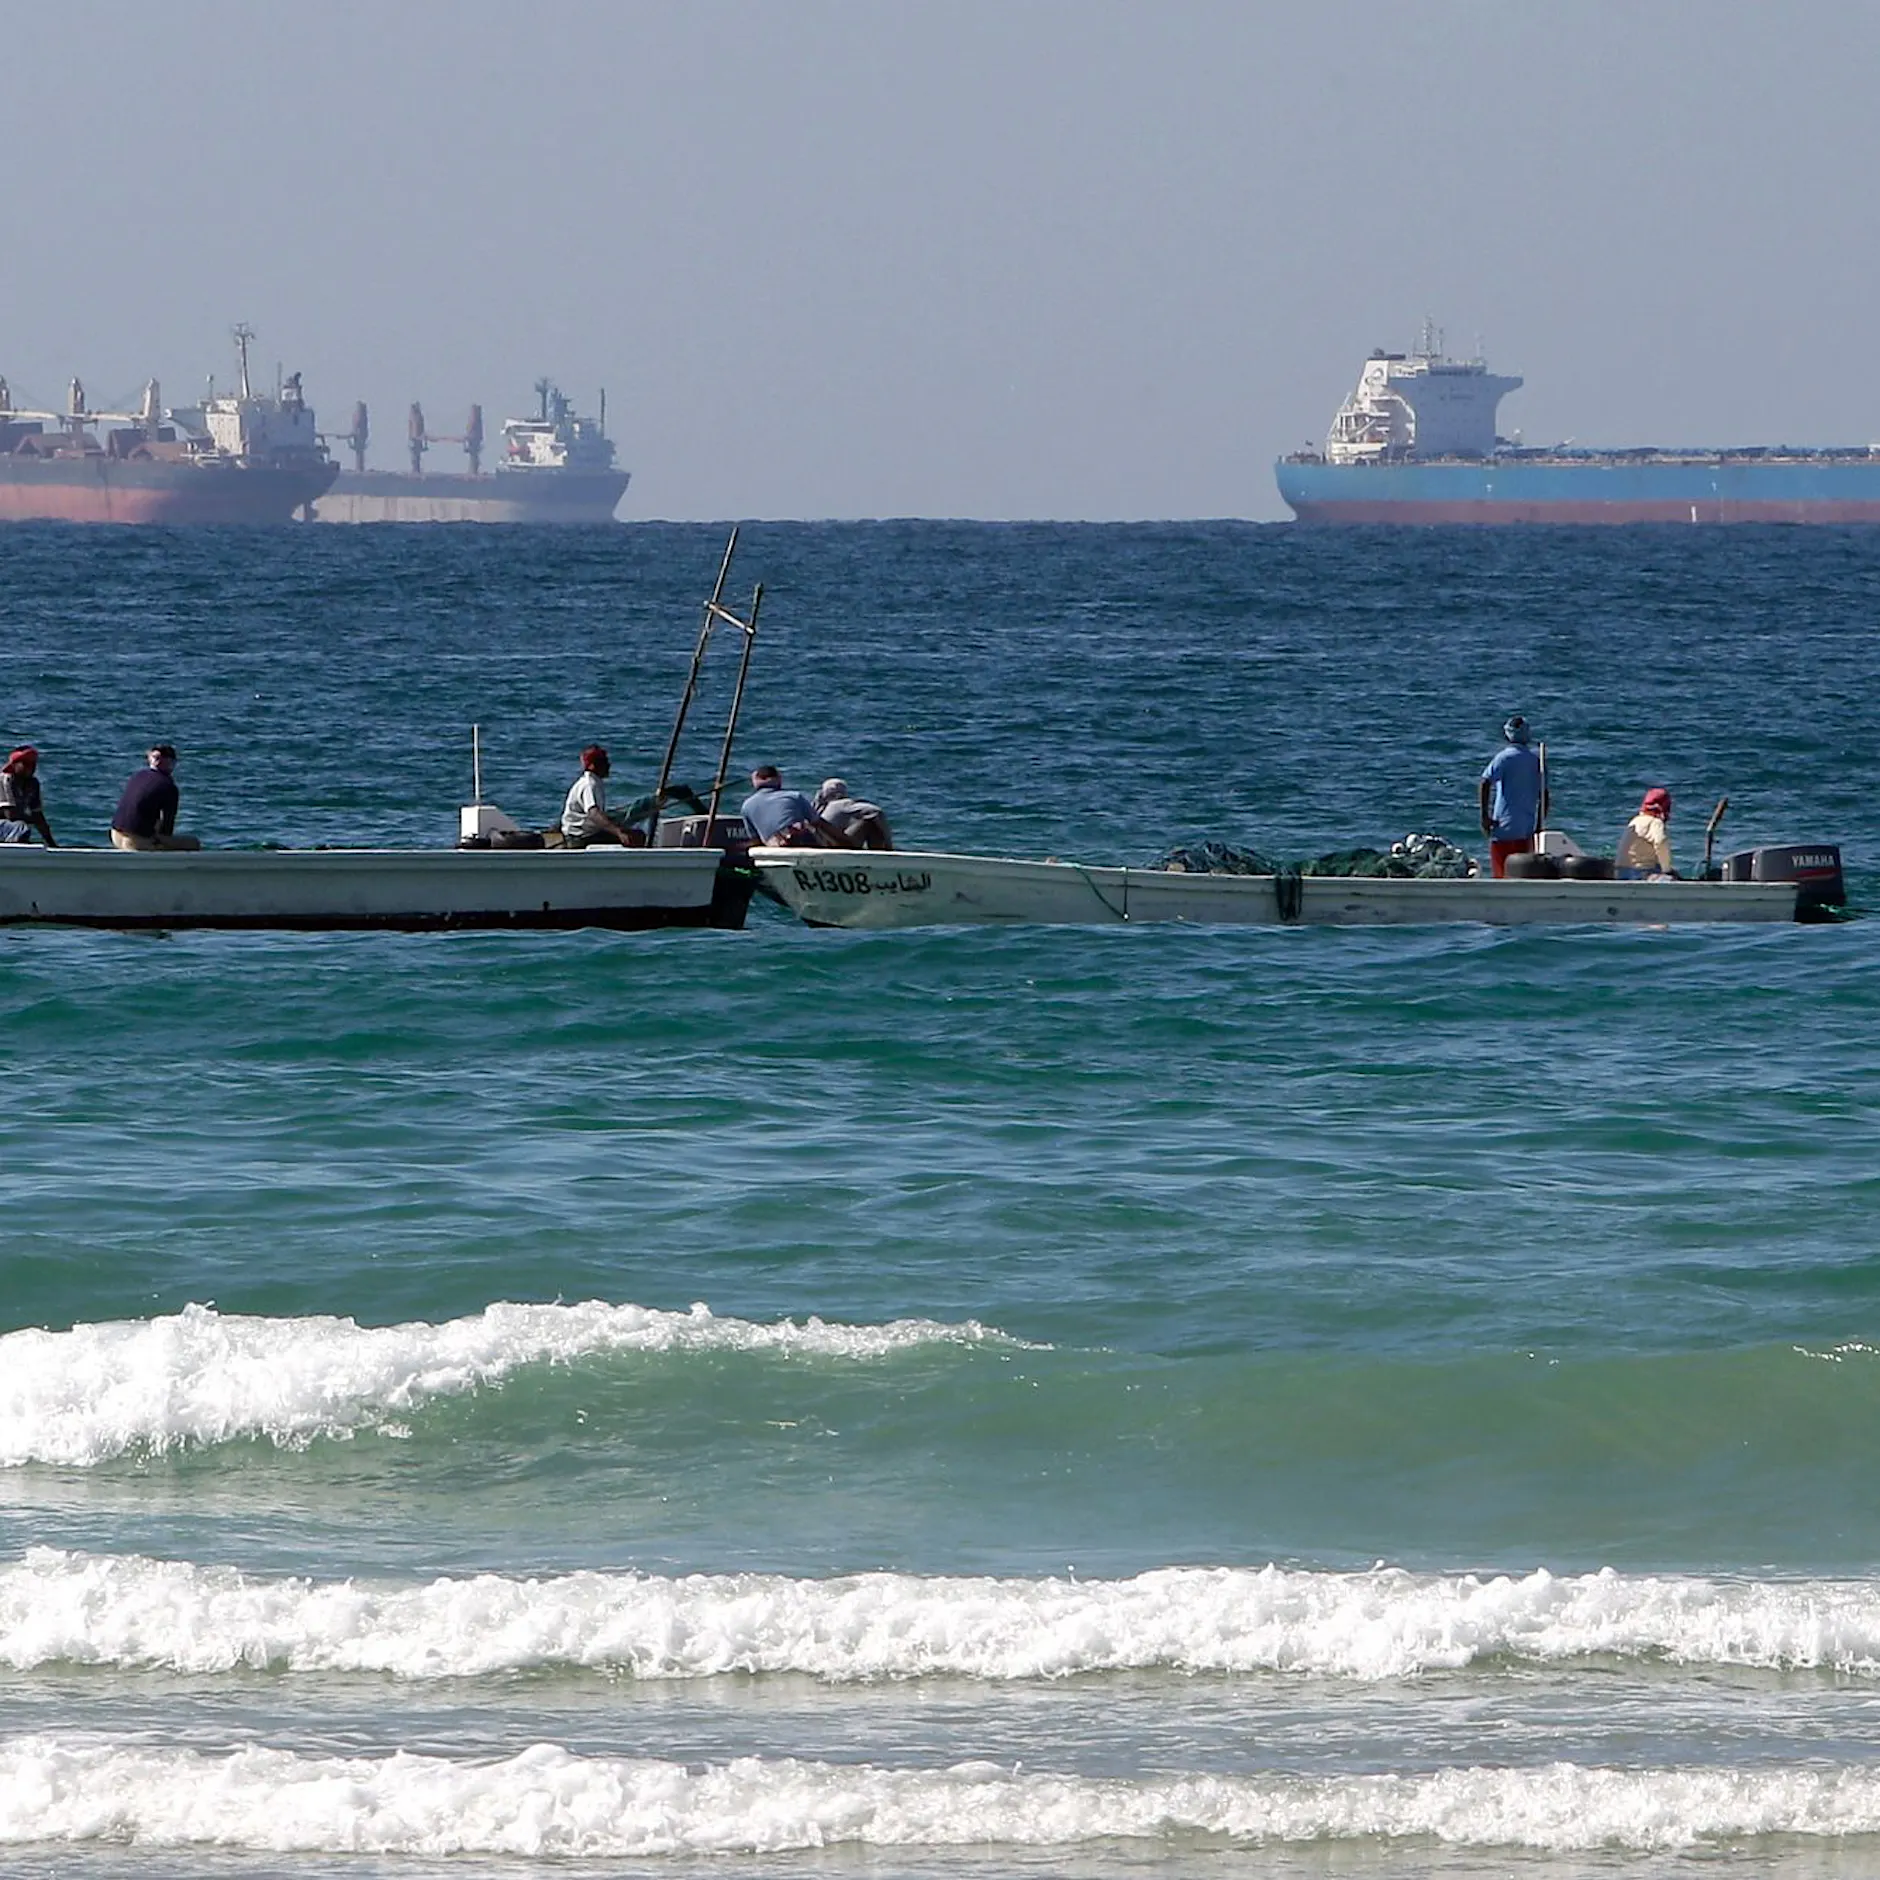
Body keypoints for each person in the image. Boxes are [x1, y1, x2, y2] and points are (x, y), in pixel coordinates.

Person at [1478, 715, 1548, 878]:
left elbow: (1484, 783)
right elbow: (1544, 795)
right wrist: (1539, 824)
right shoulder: (1536, 761)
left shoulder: (1504, 758)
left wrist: (1484, 817)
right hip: (1527, 829)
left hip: (1504, 828)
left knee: (1501, 874)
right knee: (1521, 874)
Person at [110, 743, 200, 851]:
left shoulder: (137, 776)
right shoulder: (168, 786)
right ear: (171, 762)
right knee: (193, 843)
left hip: (115, 835)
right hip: (136, 842)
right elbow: (168, 823)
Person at [560, 744, 643, 847]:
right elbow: (593, 813)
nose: (609, 765)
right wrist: (618, 832)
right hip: (581, 836)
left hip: (584, 832)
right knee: (636, 836)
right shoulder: (589, 784)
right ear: (593, 766)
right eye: (605, 762)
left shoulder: (592, 782)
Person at [741, 764, 837, 846]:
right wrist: (844, 840)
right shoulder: (794, 796)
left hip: (774, 846)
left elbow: (755, 840)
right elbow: (818, 823)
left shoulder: (747, 805)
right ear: (779, 779)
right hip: (800, 842)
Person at [813, 777, 894, 850]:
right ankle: (879, 853)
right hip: (835, 844)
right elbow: (876, 812)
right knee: (869, 821)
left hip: (821, 842)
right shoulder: (842, 804)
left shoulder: (819, 808)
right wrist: (888, 843)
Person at [0, 745, 56, 845]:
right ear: (15, 765)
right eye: (25, 764)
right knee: (20, 827)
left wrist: (52, 844)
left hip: (7, 827)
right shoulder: (5, 779)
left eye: (33, 764)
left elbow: (37, 814)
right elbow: (10, 815)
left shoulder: (33, 784)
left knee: (21, 828)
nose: (31, 767)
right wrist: (35, 819)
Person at [1616, 786, 1676, 878]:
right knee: (1671, 877)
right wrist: (1667, 870)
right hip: (1641, 872)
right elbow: (1660, 842)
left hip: (1621, 872)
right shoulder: (1655, 822)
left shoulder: (1635, 821)